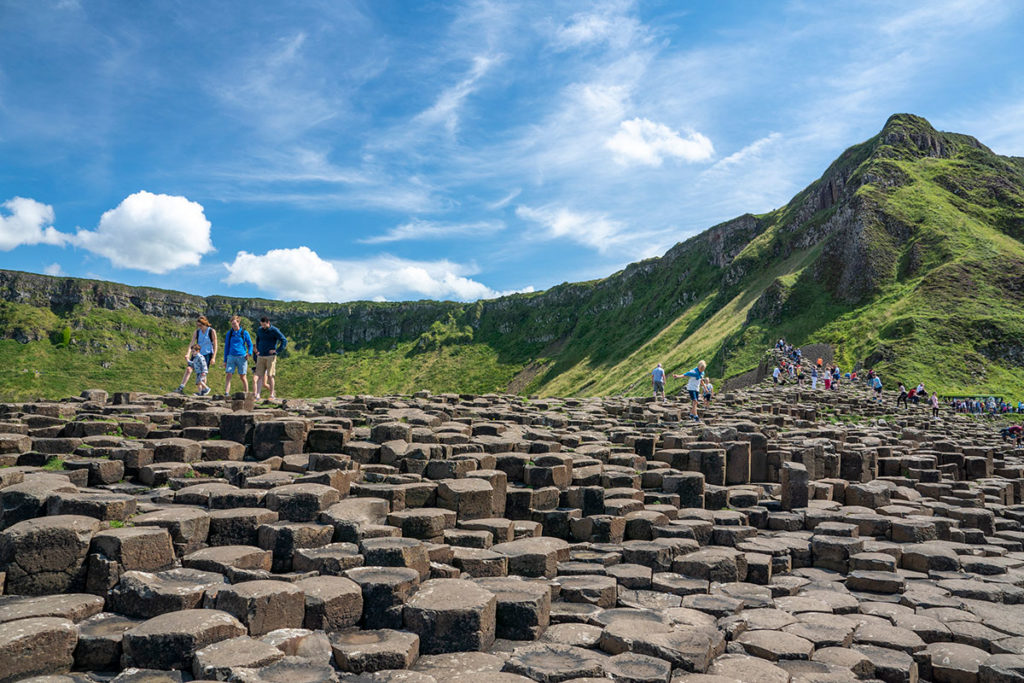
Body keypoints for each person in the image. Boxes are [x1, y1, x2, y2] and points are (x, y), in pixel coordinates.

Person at [176, 316, 217, 393]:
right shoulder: (197, 332)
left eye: (200, 325)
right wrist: (188, 353)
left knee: (202, 373)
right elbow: (192, 342)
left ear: (205, 324)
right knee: (189, 369)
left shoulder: (211, 331)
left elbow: (215, 344)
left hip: (207, 354)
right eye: (198, 325)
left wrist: (213, 357)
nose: (199, 327)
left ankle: (202, 391)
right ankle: (181, 387)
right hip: (196, 353)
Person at [254, 316, 288, 400]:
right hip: (261, 355)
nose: (263, 327)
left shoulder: (274, 330)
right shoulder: (259, 330)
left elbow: (284, 340)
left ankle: (272, 394)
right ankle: (258, 394)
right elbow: (257, 339)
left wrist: (277, 351)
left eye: (264, 325)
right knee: (259, 375)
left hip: (270, 356)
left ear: (268, 322)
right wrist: (257, 349)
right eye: (262, 325)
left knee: (270, 375)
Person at [223, 315, 254, 395]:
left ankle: (246, 393)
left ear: (238, 322)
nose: (233, 325)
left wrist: (249, 353)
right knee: (228, 374)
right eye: (232, 324)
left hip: (242, 357)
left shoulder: (244, 333)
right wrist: (225, 360)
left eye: (235, 323)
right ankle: (226, 393)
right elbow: (226, 346)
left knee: (242, 376)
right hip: (231, 356)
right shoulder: (229, 333)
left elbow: (250, 344)